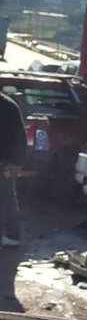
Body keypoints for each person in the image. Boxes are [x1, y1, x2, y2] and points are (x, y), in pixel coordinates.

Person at [0, 90, 27, 247]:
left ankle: (12, 235)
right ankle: (12, 235)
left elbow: (19, 137)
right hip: (6, 162)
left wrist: (17, 162)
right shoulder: (9, 105)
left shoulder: (8, 107)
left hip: (4, 162)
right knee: (8, 199)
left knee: (5, 200)